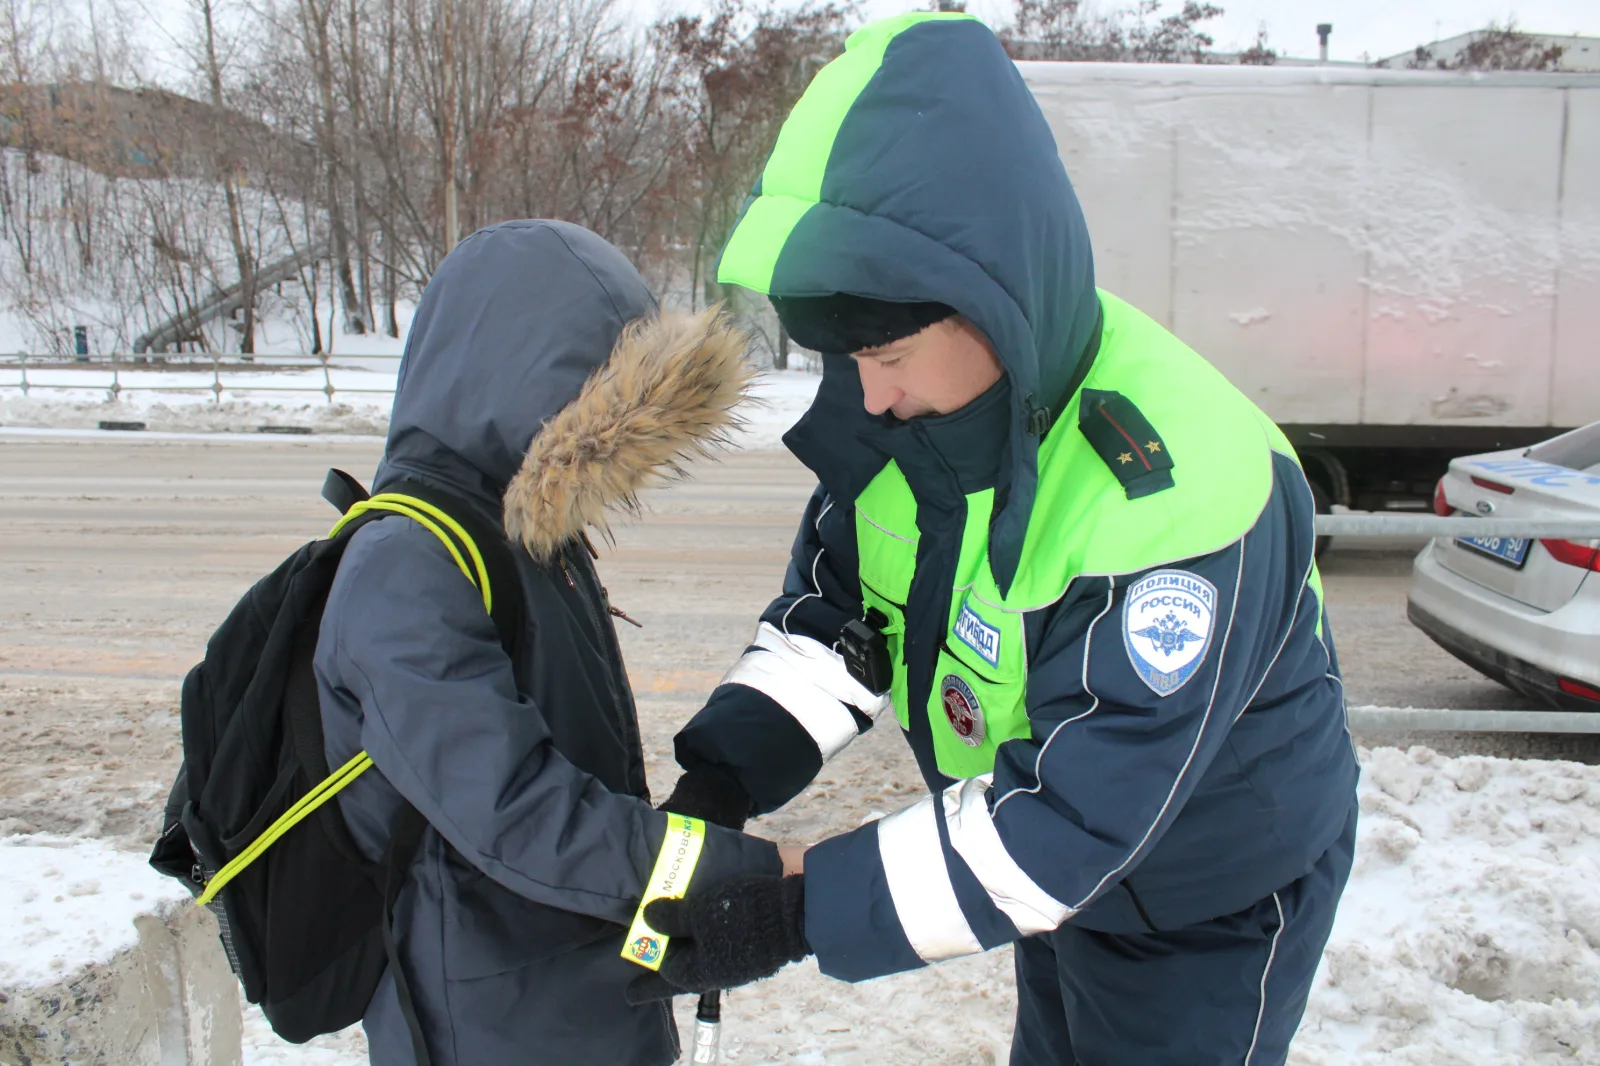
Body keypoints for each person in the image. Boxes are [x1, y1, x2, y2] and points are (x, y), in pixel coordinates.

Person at [635, 14, 1361, 1066]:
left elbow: (1066, 820)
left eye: (885, 355)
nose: (867, 395)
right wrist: (723, 781)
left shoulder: (1176, 494)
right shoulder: (908, 418)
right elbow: (835, 625)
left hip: (1210, 901)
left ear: (991, 302)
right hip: (1063, 891)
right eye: (844, 357)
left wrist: (792, 907)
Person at [313, 219, 783, 1066]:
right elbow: (526, 816)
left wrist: (677, 880)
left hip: (586, 993)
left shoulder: (526, 536)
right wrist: (743, 874)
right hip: (490, 1026)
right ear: (523, 386)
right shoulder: (406, 567)